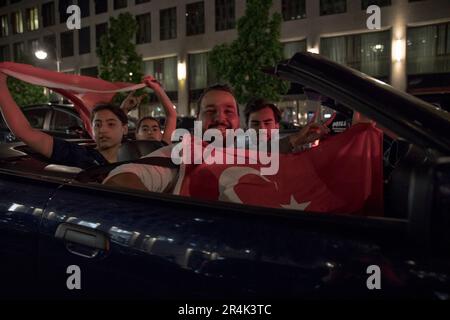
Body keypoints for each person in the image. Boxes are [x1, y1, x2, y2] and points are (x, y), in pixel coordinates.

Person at [103, 84, 329, 192]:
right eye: (210, 111)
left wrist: (298, 140)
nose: (220, 118)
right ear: (198, 119)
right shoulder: (183, 152)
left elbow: (270, 151)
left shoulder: (247, 151)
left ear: (239, 122)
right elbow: (122, 180)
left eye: (229, 111)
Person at [0, 72, 130, 168]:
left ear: (125, 129)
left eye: (111, 124)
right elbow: (25, 132)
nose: (102, 130)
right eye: (97, 125)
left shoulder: (136, 155)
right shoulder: (79, 155)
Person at [120, 76, 177, 145]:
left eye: (155, 129)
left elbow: (172, 115)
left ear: (161, 134)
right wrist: (124, 109)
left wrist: (157, 88)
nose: (150, 132)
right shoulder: (129, 149)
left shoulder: (163, 146)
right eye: (145, 129)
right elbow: (118, 129)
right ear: (136, 134)